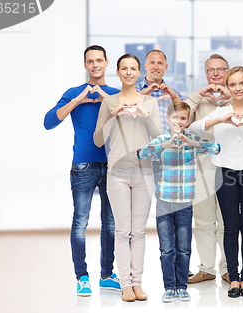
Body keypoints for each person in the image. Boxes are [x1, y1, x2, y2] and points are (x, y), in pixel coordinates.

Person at [188, 66, 243, 298]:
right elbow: (192, 128)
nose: (238, 88)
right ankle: (233, 279)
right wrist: (220, 119)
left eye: (241, 83)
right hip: (225, 173)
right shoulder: (222, 111)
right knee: (230, 228)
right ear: (227, 88)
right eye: (233, 84)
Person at [43, 45, 121, 296]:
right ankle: (82, 277)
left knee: (110, 224)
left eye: (100, 60)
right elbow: (49, 122)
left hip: (113, 165)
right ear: (85, 65)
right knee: (80, 223)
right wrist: (79, 100)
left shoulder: (116, 94)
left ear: (107, 63)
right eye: (91, 61)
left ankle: (107, 275)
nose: (96, 64)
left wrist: (106, 100)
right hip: (83, 166)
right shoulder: (74, 92)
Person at [93, 54, 163, 302]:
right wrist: (113, 113)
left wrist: (145, 115)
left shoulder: (150, 103)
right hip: (118, 174)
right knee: (123, 231)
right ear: (118, 72)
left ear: (138, 71)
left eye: (133, 68)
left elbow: (160, 141)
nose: (129, 72)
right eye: (124, 68)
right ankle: (125, 285)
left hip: (144, 172)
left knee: (139, 231)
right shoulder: (109, 101)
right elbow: (98, 139)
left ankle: (138, 283)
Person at [138, 101, 221, 303]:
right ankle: (169, 287)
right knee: (167, 249)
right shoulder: (161, 140)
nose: (179, 121)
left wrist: (192, 144)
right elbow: (142, 153)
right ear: (168, 119)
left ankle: (181, 286)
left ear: (188, 120)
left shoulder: (192, 140)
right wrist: (164, 145)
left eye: (183, 118)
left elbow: (216, 148)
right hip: (165, 202)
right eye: (175, 117)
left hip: (185, 203)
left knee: (183, 247)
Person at [186, 54, 232, 284]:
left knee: (227, 222)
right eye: (211, 70)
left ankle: (227, 268)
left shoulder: (236, 98)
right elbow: (182, 121)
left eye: (220, 69)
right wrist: (198, 95)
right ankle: (206, 268)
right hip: (202, 169)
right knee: (203, 221)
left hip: (229, 169)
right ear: (205, 74)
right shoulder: (197, 101)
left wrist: (230, 97)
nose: (215, 73)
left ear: (227, 71)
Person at [136, 49, 182, 132]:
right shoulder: (134, 90)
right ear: (145, 66)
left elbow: (184, 120)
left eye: (160, 63)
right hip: (141, 144)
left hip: (168, 144)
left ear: (166, 67)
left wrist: (174, 98)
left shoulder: (174, 94)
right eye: (152, 63)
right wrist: (141, 95)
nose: (156, 67)